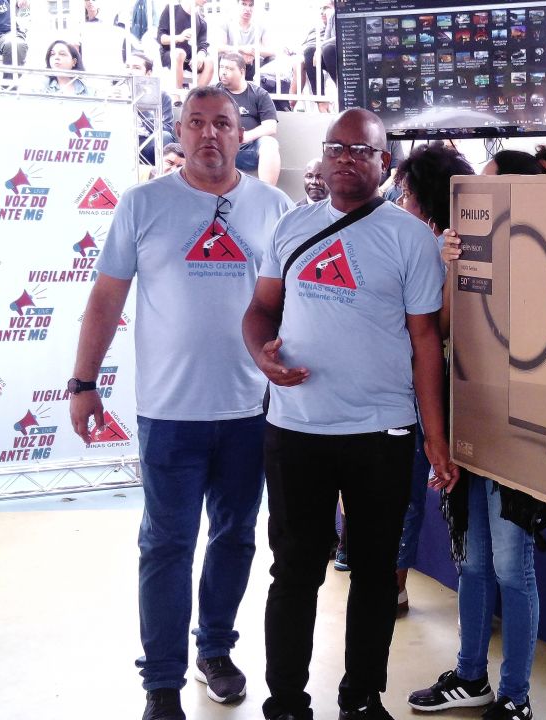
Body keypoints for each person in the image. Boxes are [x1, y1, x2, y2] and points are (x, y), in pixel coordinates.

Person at [69, 85, 293, 720]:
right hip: (169, 414)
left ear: (240, 133)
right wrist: (83, 383)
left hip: (250, 411)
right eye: (196, 122)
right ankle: (162, 682)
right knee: (166, 544)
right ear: (180, 133)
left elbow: (294, 302)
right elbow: (106, 299)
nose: (209, 133)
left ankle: (214, 650)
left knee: (236, 538)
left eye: (222, 122)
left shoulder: (274, 207)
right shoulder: (143, 204)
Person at [243, 108, 456, 720]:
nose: (345, 158)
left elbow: (425, 342)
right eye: (336, 147)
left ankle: (360, 697)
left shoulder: (410, 238)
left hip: (380, 433)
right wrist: (261, 355)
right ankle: (286, 701)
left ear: (383, 162)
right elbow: (260, 311)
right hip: (295, 429)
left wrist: (435, 438)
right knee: (294, 571)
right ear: (323, 155)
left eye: (361, 150)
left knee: (374, 573)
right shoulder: (292, 226)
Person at [408, 145, 546, 720]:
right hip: (471, 427)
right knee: (472, 563)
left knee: (511, 567)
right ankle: (471, 675)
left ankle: (515, 695)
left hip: (521, 435)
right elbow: (443, 330)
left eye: (489, 183)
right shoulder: (468, 248)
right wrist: (454, 269)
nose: (476, 193)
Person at [389, 142, 475, 614]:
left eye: (406, 193)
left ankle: (397, 586)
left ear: (422, 198)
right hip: (448, 383)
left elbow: (433, 327)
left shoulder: (435, 246)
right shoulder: (444, 241)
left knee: (413, 489)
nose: (400, 201)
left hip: (428, 383)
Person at [217, 52, 280, 185]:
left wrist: (245, 136)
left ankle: (267, 192)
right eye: (221, 67)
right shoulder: (213, 93)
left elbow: (270, 126)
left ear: (242, 72)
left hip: (248, 150)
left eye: (229, 68)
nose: (223, 72)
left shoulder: (259, 94)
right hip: (219, 149)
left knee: (270, 144)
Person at [127, 51, 176, 165]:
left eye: (136, 68)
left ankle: (162, 174)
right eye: (127, 67)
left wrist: (143, 111)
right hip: (121, 140)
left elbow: (166, 129)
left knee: (165, 136)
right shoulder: (113, 94)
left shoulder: (161, 96)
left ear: (148, 74)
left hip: (146, 142)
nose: (130, 71)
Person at [157, 0, 212, 91]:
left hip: (189, 59)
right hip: (170, 55)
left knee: (209, 62)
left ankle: (195, 96)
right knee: (180, 53)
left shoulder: (201, 20)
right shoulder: (171, 9)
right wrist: (179, 37)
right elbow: (161, 38)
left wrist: (200, 56)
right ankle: (177, 97)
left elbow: (203, 45)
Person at [214, 0, 274, 82]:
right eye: (244, 4)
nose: (247, 9)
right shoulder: (226, 22)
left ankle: (263, 87)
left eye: (251, 5)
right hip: (232, 63)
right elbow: (219, 47)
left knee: (271, 59)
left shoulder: (261, 25)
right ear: (237, 5)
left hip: (252, 64)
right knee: (220, 56)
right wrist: (241, 50)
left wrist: (253, 52)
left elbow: (271, 50)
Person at [79, 0, 136, 74]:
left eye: (94, 0)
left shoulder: (108, 22)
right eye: (87, 0)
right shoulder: (80, 22)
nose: (90, 2)